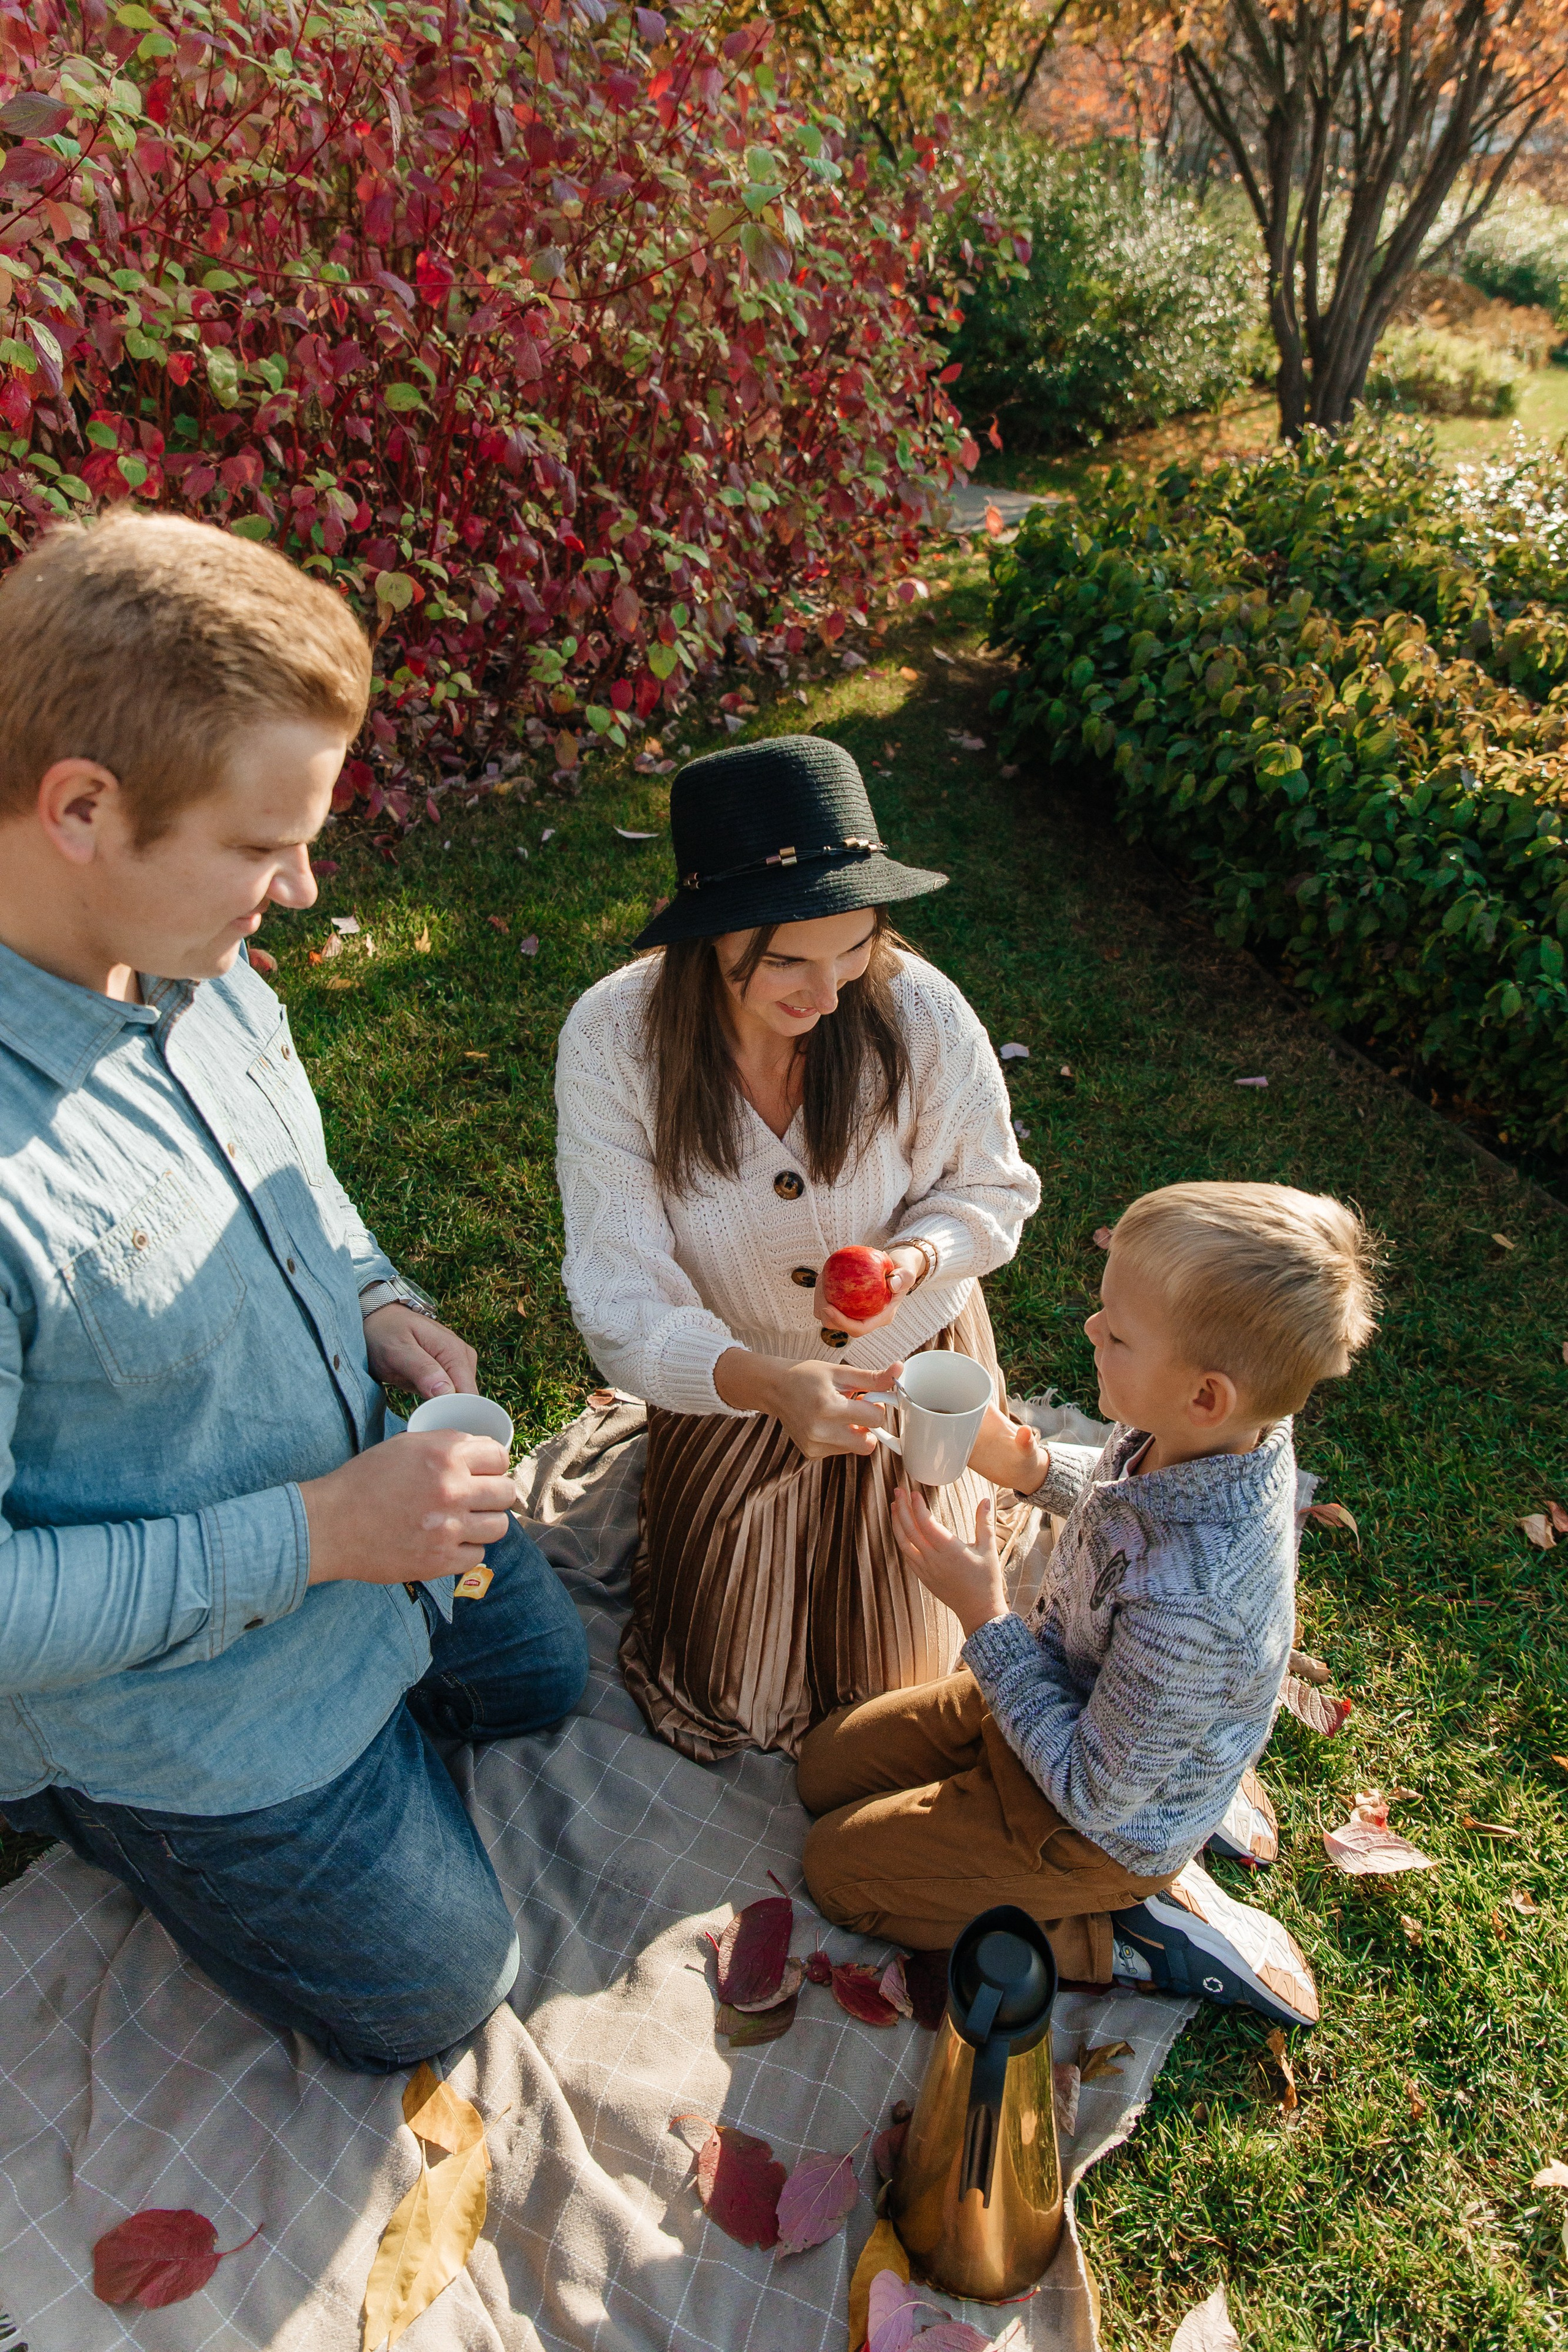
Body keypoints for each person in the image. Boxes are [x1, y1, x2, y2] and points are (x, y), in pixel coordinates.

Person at [0, 512, 587, 2073]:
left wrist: (373, 1294)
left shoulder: (185, 951)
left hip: (359, 1521)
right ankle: (82, 1803)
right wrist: (323, 1533)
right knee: (437, 1994)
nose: (307, 891)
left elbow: (291, 1178)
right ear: (82, 809)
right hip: (160, 1685)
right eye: (265, 847)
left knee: (547, 1680)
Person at [554, 735, 1042, 1760]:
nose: (829, 995)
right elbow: (618, 1289)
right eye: (787, 961)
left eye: (855, 947)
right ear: (711, 936)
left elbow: (991, 1189)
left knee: (894, 1679)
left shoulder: (917, 1009)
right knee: (729, 1673)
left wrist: (912, 1262)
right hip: (732, 1367)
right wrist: (770, 1385)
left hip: (907, 1356)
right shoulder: (614, 1039)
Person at [798, 1181, 1381, 2031]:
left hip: (1098, 1821)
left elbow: (1092, 1790)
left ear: (1205, 1394)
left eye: (1117, 1333)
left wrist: (985, 1621)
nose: (1090, 1331)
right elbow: (1125, 1505)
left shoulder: (1197, 1606)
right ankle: (1199, 1772)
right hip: (1071, 1692)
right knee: (823, 1771)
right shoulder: (1211, 1430)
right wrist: (1028, 1465)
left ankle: (1130, 1937)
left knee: (837, 1873)